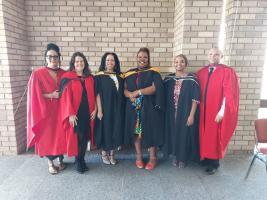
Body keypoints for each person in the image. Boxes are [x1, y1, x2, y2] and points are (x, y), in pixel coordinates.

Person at [197, 48, 239, 175]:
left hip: (215, 110)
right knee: (204, 134)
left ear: (221, 56)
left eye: (216, 55)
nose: (213, 56)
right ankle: (205, 157)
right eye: (210, 54)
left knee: (214, 136)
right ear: (207, 56)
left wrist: (222, 112)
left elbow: (229, 95)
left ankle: (214, 163)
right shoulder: (201, 72)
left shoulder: (227, 72)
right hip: (203, 110)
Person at [27, 43, 66, 175]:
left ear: (59, 57)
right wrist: (51, 95)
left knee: (61, 135)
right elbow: (34, 95)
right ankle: (50, 163)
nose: (53, 59)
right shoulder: (37, 74)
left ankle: (61, 160)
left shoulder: (64, 73)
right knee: (48, 137)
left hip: (61, 111)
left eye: (55, 57)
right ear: (45, 58)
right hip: (46, 112)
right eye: (50, 56)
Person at [124, 47, 164, 171]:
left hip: (149, 107)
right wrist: (130, 95)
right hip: (134, 108)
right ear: (137, 58)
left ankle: (153, 158)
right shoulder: (129, 73)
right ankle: (139, 157)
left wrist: (137, 92)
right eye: (140, 57)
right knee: (137, 132)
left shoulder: (154, 72)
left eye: (145, 57)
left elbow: (155, 88)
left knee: (150, 131)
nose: (142, 59)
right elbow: (124, 89)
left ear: (148, 59)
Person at [59, 52, 96, 174]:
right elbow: (65, 97)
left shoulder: (90, 78)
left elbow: (95, 95)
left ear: (84, 63)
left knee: (85, 137)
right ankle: (78, 160)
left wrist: (95, 108)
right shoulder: (67, 77)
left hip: (87, 112)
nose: (79, 63)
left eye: (81, 61)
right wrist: (70, 113)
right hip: (75, 113)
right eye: (77, 61)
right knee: (78, 137)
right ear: (73, 64)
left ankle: (81, 159)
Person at [163, 54, 200, 168]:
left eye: (182, 61)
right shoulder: (169, 79)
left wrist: (191, 115)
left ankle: (182, 157)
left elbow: (195, 99)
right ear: (174, 64)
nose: (179, 64)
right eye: (176, 62)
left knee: (184, 135)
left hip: (185, 112)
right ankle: (174, 155)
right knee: (173, 134)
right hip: (171, 112)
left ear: (186, 64)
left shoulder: (192, 79)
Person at [94, 52, 125, 165]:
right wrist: (100, 110)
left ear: (115, 62)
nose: (110, 62)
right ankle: (104, 153)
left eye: (112, 60)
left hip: (117, 108)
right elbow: (97, 94)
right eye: (107, 60)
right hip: (105, 108)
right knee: (105, 130)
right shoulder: (99, 76)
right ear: (104, 62)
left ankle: (112, 154)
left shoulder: (120, 76)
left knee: (115, 129)